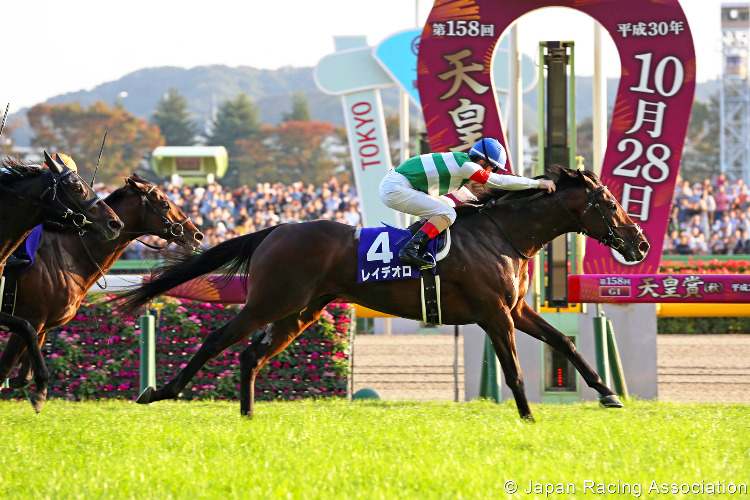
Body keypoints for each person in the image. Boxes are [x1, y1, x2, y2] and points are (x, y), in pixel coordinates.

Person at [379, 138, 556, 269]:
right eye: (492, 168)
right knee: (448, 213)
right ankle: (411, 248)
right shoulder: (467, 167)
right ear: (483, 162)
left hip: (398, 185)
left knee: (448, 204)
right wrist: (537, 183)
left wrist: (480, 207)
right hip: (396, 188)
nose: (489, 171)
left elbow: (465, 196)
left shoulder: (461, 162)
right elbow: (500, 182)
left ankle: (426, 243)